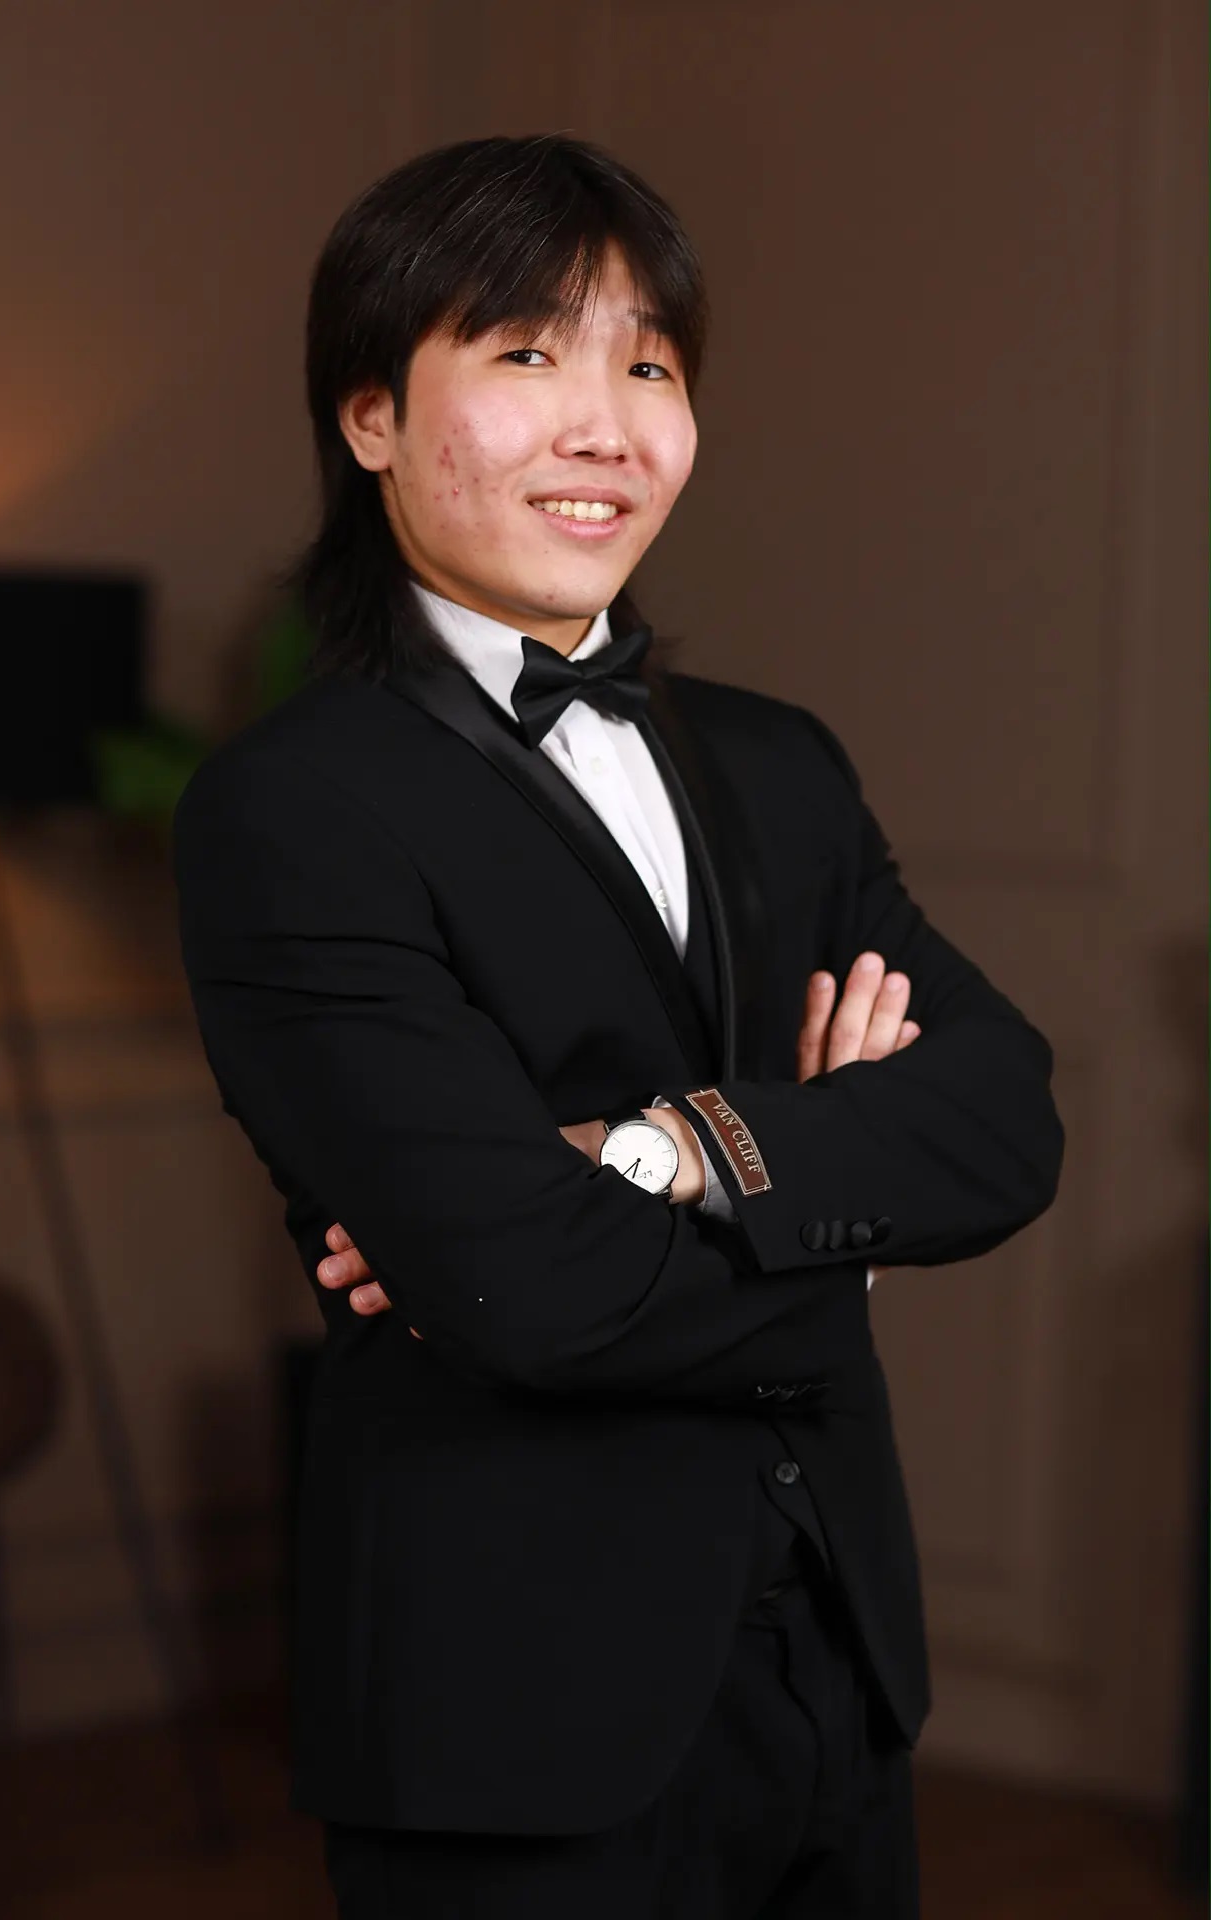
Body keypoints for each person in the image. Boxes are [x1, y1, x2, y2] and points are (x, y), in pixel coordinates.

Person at [172, 132, 1064, 1919]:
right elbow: (531, 1287)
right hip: (514, 1698)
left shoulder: (784, 764)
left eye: (649, 367)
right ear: (369, 415)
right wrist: (847, 1212)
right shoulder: (293, 808)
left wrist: (664, 1155)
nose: (606, 425)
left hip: (838, 1660)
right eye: (526, 353)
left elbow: (1007, 1119)